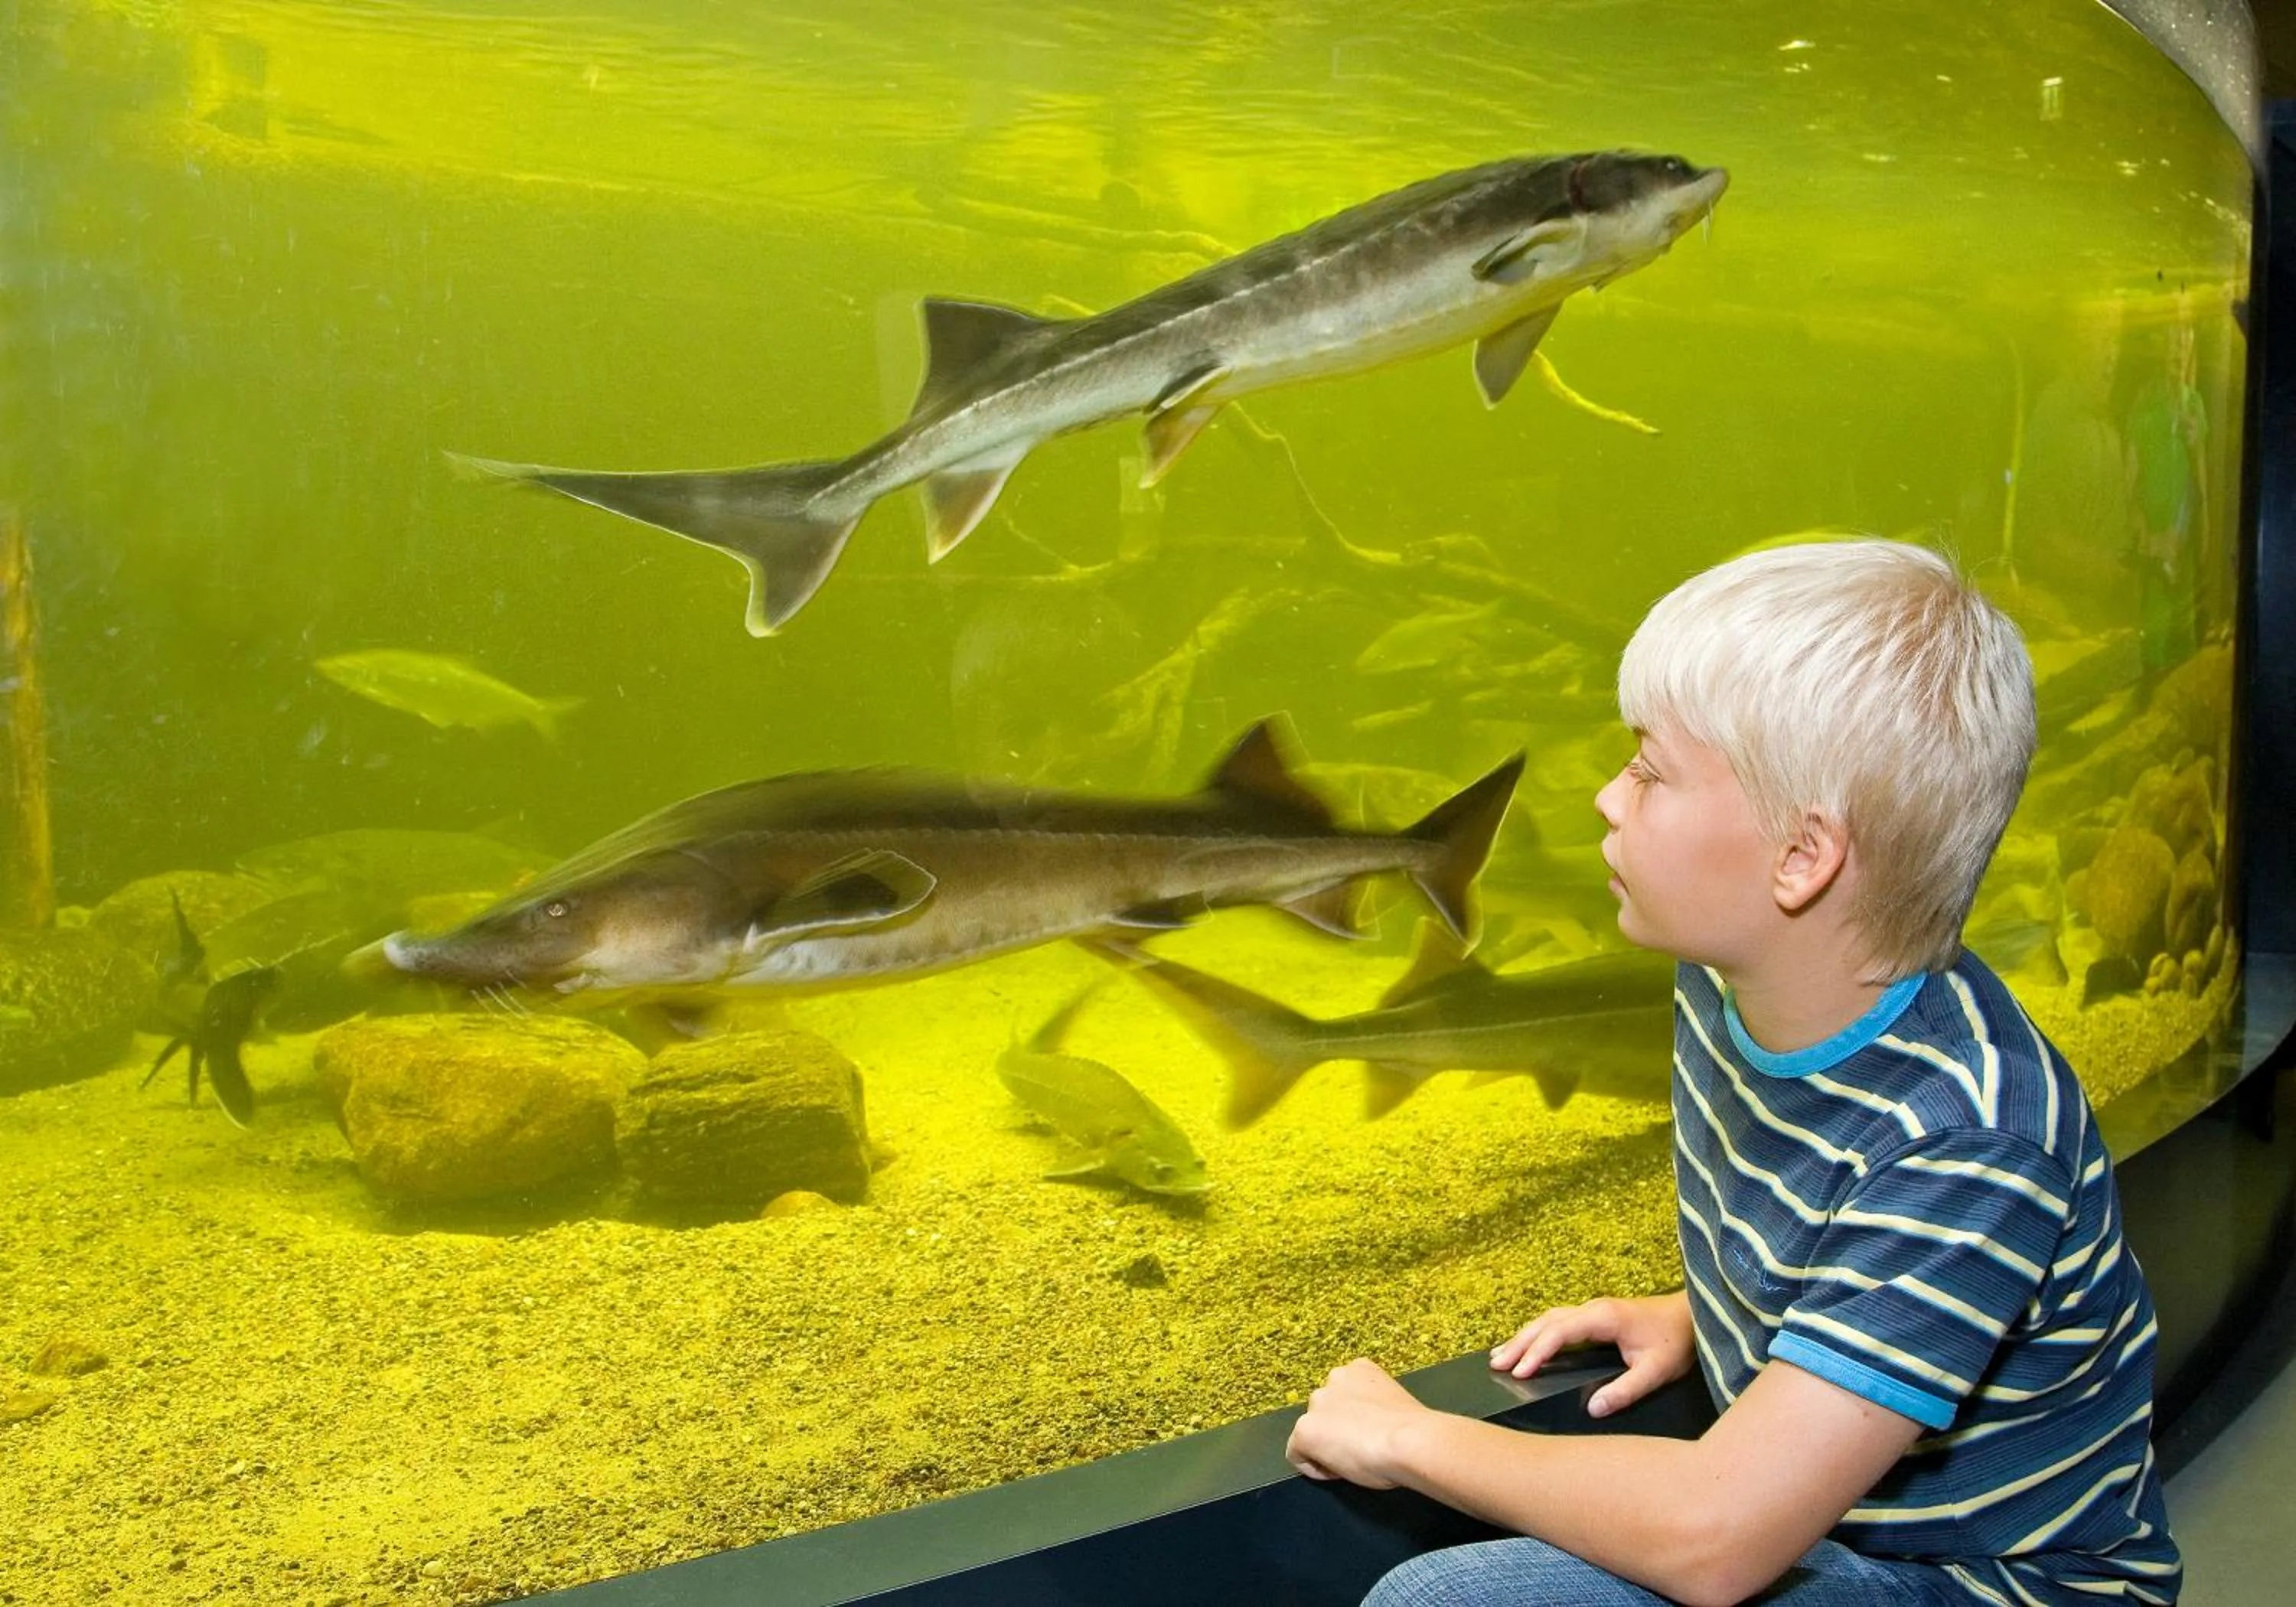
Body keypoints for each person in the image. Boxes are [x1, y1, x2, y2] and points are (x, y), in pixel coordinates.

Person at [1286, 540, 2180, 1605]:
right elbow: (1841, 1223)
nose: (1608, 799)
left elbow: (1717, 1542)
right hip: (1835, 1519)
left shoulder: (1970, 1140)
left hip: (1989, 1588)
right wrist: (1712, 1315)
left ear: (1802, 858)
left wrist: (1407, 1438)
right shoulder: (1725, 986)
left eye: (1651, 771)